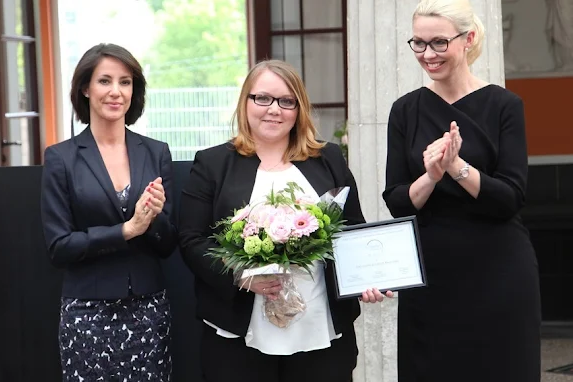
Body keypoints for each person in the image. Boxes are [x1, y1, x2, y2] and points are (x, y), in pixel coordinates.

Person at [178, 59, 393, 382]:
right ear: (245, 102)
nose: (273, 110)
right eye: (262, 98)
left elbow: (352, 230)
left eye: (286, 101)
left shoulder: (329, 158)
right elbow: (192, 239)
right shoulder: (213, 164)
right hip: (239, 335)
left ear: (299, 109)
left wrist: (367, 277)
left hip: (321, 330)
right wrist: (240, 276)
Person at [383, 1, 541, 381]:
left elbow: (510, 199)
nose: (427, 54)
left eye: (438, 43)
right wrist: (432, 175)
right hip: (431, 275)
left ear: (468, 39)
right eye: (418, 44)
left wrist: (457, 168)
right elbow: (397, 201)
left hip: (498, 270)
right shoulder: (405, 110)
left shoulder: (505, 105)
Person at [41, 43, 177, 381]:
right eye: (105, 81)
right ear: (85, 88)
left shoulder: (156, 152)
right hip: (87, 311)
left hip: (148, 308)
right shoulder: (62, 157)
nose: (116, 91)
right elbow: (59, 247)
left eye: (125, 82)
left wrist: (156, 218)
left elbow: (168, 244)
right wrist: (127, 230)